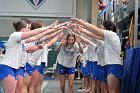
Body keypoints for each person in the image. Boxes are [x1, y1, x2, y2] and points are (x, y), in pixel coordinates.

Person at [0, 19, 63, 93]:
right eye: (28, 28)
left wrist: (35, 48)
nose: (29, 30)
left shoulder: (22, 41)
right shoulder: (15, 35)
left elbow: (37, 37)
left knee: (18, 90)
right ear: (23, 30)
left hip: (15, 67)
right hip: (8, 66)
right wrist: (50, 26)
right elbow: (35, 32)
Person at [70, 18, 123, 93]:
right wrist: (82, 30)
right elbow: (93, 36)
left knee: (112, 90)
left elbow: (96, 31)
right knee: (109, 89)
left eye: (102, 26)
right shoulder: (108, 38)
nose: (100, 27)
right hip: (111, 65)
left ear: (105, 27)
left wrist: (81, 23)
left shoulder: (111, 34)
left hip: (114, 65)